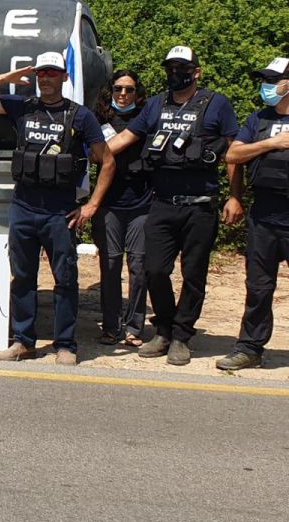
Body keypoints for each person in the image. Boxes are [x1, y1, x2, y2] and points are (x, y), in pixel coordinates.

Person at [0, 51, 115, 364]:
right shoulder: (23, 107)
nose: (46, 78)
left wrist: (92, 205)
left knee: (66, 280)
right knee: (22, 277)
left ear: (64, 77)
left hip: (60, 211)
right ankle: (24, 342)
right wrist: (8, 78)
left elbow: (108, 161)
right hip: (24, 208)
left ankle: (66, 345)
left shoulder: (80, 116)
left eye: (53, 73)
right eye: (42, 73)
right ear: (36, 76)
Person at [107, 46, 243, 366]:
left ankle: (182, 335)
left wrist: (235, 195)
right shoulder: (155, 104)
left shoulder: (216, 104)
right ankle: (164, 329)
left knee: (193, 274)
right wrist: (88, 153)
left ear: (196, 72)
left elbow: (233, 153)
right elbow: (124, 139)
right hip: (162, 204)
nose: (174, 74)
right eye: (170, 68)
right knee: (154, 270)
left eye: (182, 68)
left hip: (200, 207)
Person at [217, 58, 289, 371]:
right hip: (264, 214)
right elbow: (233, 154)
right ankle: (250, 348)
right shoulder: (258, 120)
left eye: (274, 79)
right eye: (266, 79)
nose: (267, 85)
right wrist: (272, 143)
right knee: (258, 287)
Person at [91, 69, 151, 347]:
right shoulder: (99, 119)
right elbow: (92, 156)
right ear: (110, 91)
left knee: (139, 266)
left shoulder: (148, 119)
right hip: (109, 205)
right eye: (118, 89)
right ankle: (110, 326)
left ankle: (135, 327)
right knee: (111, 264)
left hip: (142, 204)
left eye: (129, 89)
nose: (123, 94)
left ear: (137, 93)